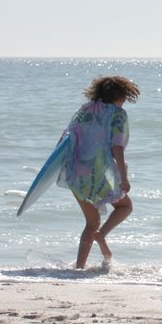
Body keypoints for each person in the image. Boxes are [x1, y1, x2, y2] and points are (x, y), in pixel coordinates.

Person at [61, 76, 139, 269]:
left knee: (91, 221)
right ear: (121, 95)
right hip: (99, 174)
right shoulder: (118, 114)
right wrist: (124, 177)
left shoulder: (84, 110)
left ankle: (79, 267)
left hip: (76, 171)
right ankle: (101, 235)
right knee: (125, 207)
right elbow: (117, 148)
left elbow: (67, 137)